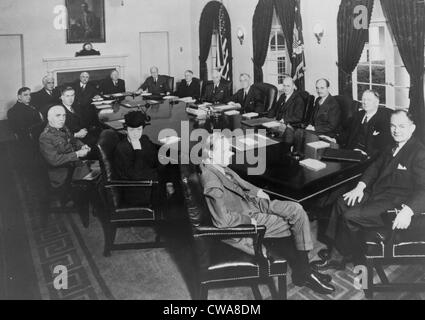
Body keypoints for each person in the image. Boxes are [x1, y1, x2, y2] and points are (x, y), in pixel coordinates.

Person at [200, 133, 336, 295]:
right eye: (226, 151)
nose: (231, 153)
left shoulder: (218, 166)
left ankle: (303, 270)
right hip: (246, 219)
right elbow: (222, 221)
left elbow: (240, 183)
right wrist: (248, 220)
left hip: (252, 203)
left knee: (297, 209)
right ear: (212, 153)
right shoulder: (211, 182)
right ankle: (304, 273)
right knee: (296, 223)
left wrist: (258, 191)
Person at [316, 110, 425, 269]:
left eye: (402, 126)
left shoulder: (419, 152)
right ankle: (338, 250)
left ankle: (342, 256)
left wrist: (408, 211)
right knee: (341, 202)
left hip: (394, 205)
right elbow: (374, 167)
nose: (396, 130)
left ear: (412, 128)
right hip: (377, 194)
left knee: (350, 216)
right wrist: (360, 187)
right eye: (393, 126)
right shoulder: (392, 146)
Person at [39, 105, 91, 204]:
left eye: (64, 116)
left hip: (73, 165)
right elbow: (54, 161)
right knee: (101, 175)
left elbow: (73, 139)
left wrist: (82, 146)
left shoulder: (63, 128)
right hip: (62, 174)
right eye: (58, 116)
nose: (62, 119)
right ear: (49, 118)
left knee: (102, 169)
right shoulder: (45, 137)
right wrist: (77, 154)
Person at [113, 111, 160, 206]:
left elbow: (155, 162)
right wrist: (138, 150)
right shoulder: (122, 148)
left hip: (149, 180)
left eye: (139, 130)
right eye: (131, 130)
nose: (135, 134)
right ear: (126, 130)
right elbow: (136, 175)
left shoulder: (144, 139)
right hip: (136, 189)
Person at [338, 90, 392, 158]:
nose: (365, 102)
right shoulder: (358, 115)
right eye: (363, 99)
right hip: (351, 152)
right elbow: (346, 131)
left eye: (369, 100)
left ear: (376, 102)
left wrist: (368, 155)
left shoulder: (384, 120)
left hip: (368, 157)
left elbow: (384, 146)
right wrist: (335, 139)